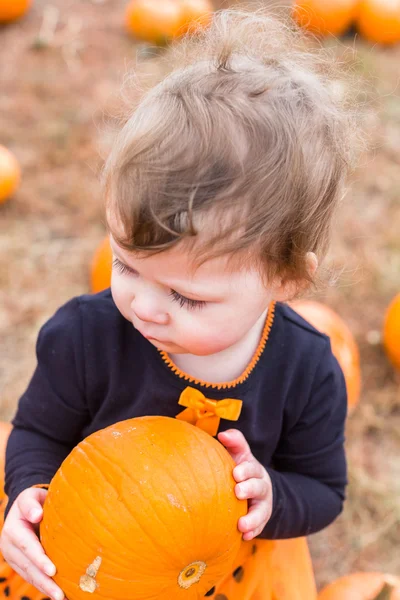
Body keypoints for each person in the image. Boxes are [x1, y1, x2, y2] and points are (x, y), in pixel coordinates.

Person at [0, 8, 360, 600]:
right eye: (125, 265)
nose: (143, 305)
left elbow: (323, 489)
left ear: (286, 278)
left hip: (217, 563)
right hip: (88, 549)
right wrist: (28, 492)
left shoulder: (308, 371)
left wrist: (272, 497)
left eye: (185, 296)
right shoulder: (85, 336)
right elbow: (38, 432)